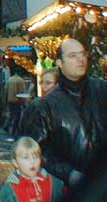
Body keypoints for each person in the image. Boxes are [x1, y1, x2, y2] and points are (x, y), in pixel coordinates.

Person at [20, 38, 107, 187]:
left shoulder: (102, 90)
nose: (80, 59)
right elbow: (39, 150)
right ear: (60, 62)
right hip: (71, 189)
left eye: (82, 54)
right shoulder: (46, 105)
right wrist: (69, 173)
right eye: (72, 55)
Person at [0, 136, 65, 202]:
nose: (32, 162)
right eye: (26, 158)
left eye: (35, 157)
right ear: (16, 163)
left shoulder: (53, 183)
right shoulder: (10, 190)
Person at [5, 65, 26, 139]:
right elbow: (22, 91)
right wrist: (23, 101)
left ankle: (7, 125)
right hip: (17, 100)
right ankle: (14, 129)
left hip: (10, 99)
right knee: (17, 116)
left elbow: (6, 90)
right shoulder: (20, 80)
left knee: (11, 114)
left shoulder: (9, 79)